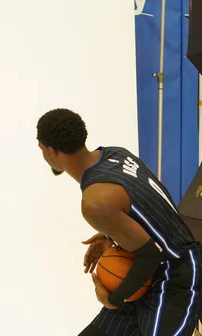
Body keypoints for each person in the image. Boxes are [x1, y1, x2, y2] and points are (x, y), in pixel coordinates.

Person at [36, 108, 202, 336]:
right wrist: (111, 234)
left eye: (41, 149)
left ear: (52, 152)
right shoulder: (115, 154)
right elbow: (147, 206)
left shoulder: (93, 203)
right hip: (145, 270)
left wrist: (113, 299)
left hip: (176, 273)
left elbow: (151, 255)